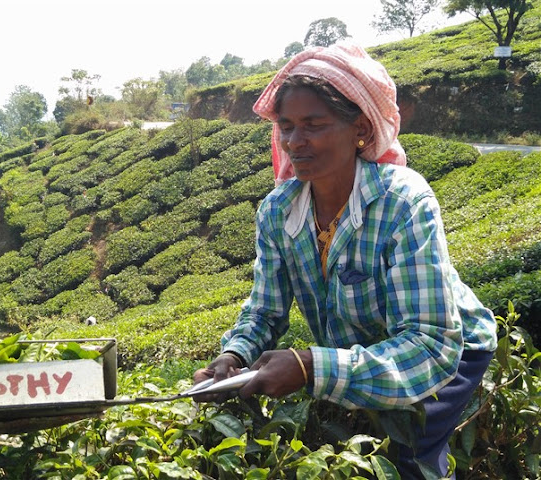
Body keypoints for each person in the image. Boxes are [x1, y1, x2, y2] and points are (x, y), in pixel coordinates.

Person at [193, 42, 497, 479]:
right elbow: (265, 308)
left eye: (313, 125)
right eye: (286, 127)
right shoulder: (279, 211)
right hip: (363, 350)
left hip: (445, 353)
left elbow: (429, 343)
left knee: (405, 457)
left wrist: (311, 366)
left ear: (358, 127)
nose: (295, 141)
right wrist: (234, 356)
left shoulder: (402, 202)